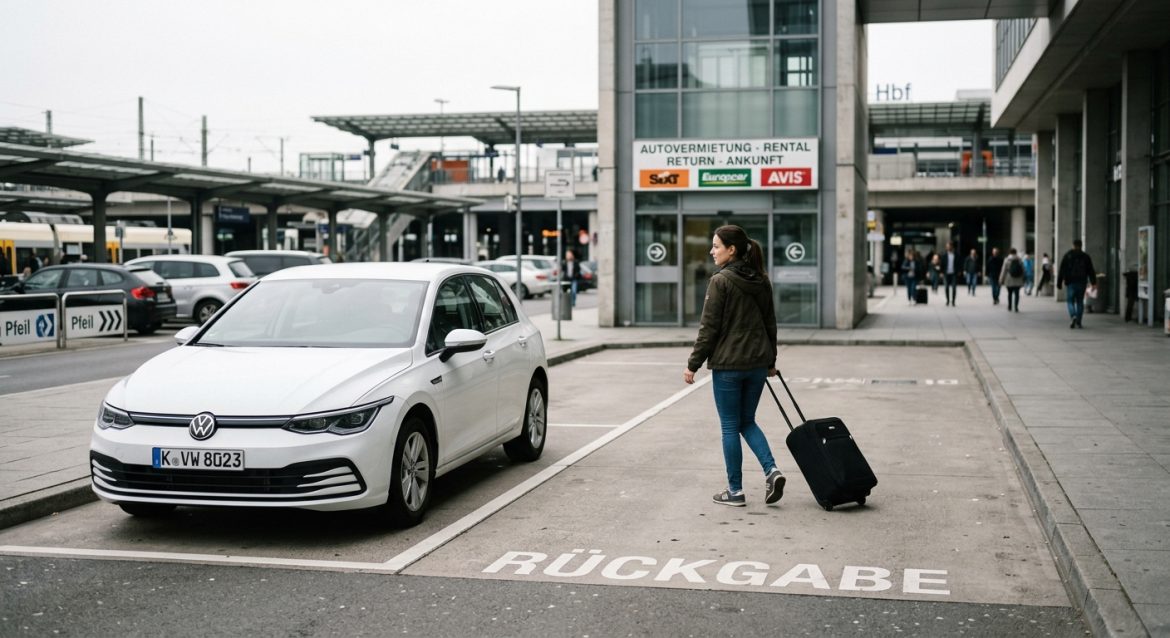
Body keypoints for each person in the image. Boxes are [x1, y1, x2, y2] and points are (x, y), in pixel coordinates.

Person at [684, 225, 785, 508]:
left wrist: (693, 363)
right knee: (746, 421)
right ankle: (771, 470)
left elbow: (709, 328)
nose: (711, 251)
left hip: (729, 366)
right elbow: (770, 325)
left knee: (730, 426)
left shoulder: (721, 281)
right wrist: (771, 362)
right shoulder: (762, 280)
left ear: (732, 249)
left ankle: (736, 490)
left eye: (716, 246)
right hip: (756, 365)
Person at [1057, 239, 1097, 329]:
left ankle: (1073, 316)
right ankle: (1079, 321)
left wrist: (1059, 283)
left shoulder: (1068, 255)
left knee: (1070, 301)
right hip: (1082, 282)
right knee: (1079, 301)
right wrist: (1093, 282)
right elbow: (1091, 270)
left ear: (1073, 245)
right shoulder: (1086, 257)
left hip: (1070, 282)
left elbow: (1062, 269)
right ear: (1081, 245)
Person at [999, 247, 1025, 312]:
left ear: (1009, 252)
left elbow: (1003, 270)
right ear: (1016, 252)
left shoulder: (1007, 259)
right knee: (1017, 294)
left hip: (1009, 278)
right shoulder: (1020, 260)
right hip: (1018, 279)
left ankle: (1009, 306)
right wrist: (1023, 278)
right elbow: (1023, 269)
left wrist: (1001, 279)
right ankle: (1016, 307)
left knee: (1009, 293)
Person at [942, 241, 960, 306]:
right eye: (947, 247)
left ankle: (953, 301)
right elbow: (942, 264)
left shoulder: (956, 255)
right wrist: (941, 272)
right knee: (946, 287)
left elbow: (959, 263)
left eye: (949, 246)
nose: (948, 247)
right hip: (946, 273)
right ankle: (947, 300)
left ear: (952, 247)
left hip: (953, 274)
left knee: (954, 287)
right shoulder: (944, 255)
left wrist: (958, 271)